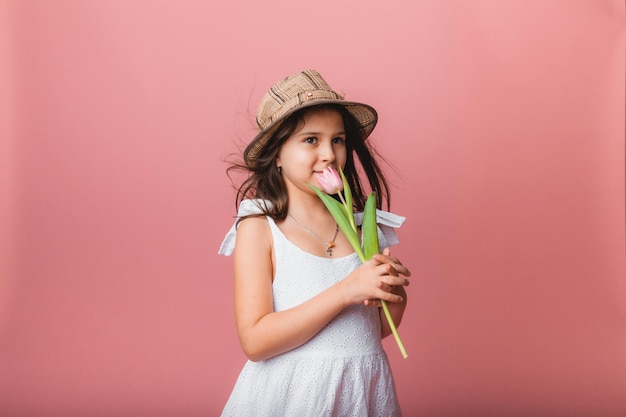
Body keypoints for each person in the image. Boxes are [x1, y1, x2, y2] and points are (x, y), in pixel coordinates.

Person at [218, 69, 411, 416]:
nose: (329, 153)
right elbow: (255, 341)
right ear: (277, 155)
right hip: (292, 397)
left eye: (337, 140)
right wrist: (346, 290)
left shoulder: (365, 227)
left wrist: (393, 293)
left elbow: (373, 331)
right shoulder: (260, 228)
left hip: (359, 392)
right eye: (311, 140)